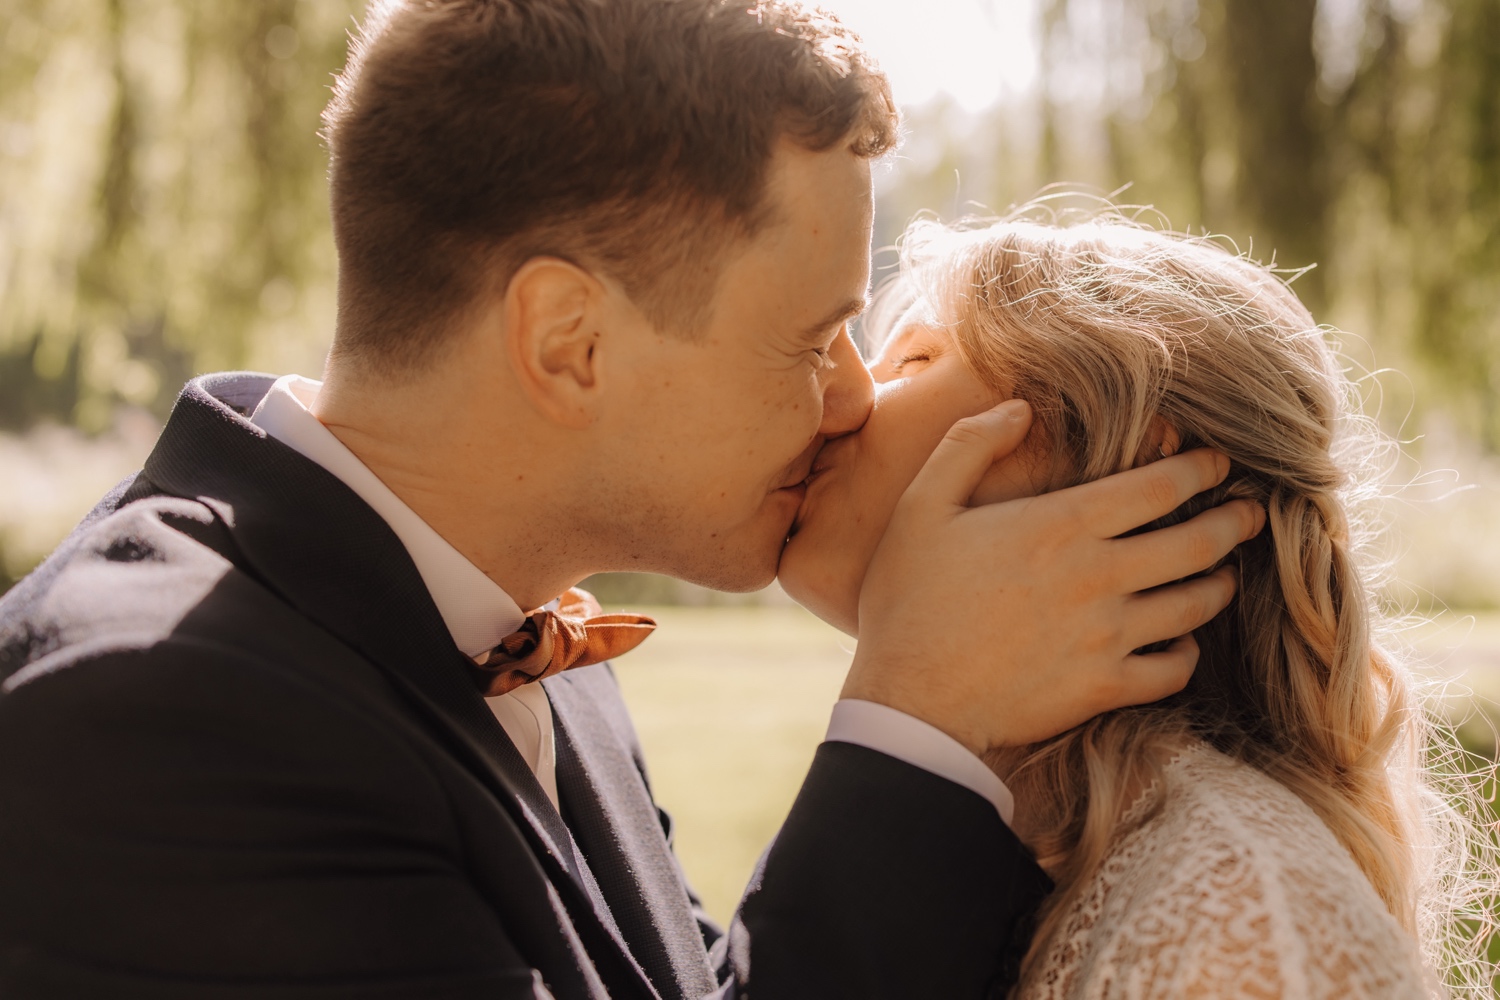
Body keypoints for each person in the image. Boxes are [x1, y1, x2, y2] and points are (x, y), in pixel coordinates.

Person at [0, 3, 1263, 998]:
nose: (848, 401)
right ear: (569, 343)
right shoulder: (163, 725)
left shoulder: (529, 631)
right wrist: (917, 723)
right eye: (812, 337)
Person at [779, 208, 1498, 998]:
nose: (842, 399)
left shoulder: (1246, 926)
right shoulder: (1012, 843)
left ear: (1122, 457)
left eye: (913, 360)